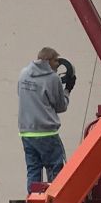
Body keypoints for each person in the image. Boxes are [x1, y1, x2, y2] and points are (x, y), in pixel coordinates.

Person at [17, 46, 69, 186]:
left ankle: (34, 202)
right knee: (55, 170)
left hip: (27, 132)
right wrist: (67, 90)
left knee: (33, 170)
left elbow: (21, 96)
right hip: (47, 132)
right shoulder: (53, 79)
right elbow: (61, 106)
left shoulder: (23, 74)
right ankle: (54, 202)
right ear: (48, 61)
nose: (58, 64)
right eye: (56, 61)